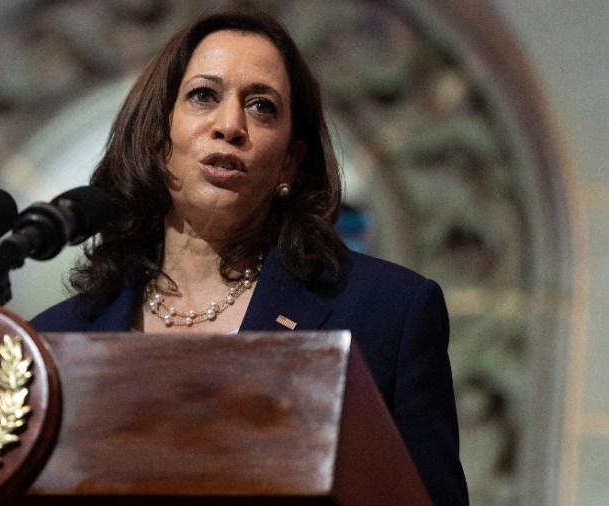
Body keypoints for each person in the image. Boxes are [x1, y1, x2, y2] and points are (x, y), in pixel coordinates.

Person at [30, 10, 468, 505]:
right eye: (204, 96)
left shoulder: (388, 314)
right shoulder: (50, 344)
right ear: (157, 139)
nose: (231, 125)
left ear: (290, 161)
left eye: (262, 107)